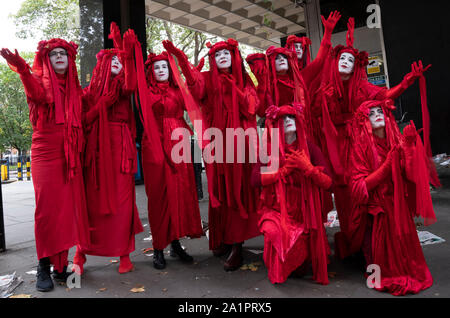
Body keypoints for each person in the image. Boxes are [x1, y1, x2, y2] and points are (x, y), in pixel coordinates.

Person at [313, 18, 434, 258]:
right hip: (337, 146)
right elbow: (316, 114)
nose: (346, 62)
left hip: (361, 142)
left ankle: (372, 241)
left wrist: (406, 82)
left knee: (368, 189)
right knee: (345, 195)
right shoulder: (326, 87)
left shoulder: (361, 85)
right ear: (335, 62)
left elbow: (384, 94)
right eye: (342, 58)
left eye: (350, 59)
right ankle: (354, 239)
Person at [163, 38, 260, 271]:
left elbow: (252, 107)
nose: (222, 57)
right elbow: (195, 87)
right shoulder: (207, 78)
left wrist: (233, 87)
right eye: (217, 55)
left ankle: (237, 243)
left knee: (238, 191)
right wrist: (182, 59)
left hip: (241, 145)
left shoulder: (245, 81)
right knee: (221, 191)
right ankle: (225, 238)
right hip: (217, 143)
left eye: (226, 53)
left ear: (234, 56)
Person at [1, 40, 89, 292]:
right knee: (47, 212)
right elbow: (35, 94)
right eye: (54, 54)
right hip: (46, 153)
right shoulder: (38, 82)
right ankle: (43, 265)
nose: (60, 56)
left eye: (64, 53)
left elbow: (84, 118)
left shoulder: (75, 90)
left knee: (65, 212)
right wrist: (23, 70)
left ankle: (60, 267)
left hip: (70, 154)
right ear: (46, 60)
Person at [72, 24, 143, 275]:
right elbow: (81, 121)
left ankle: (124, 254)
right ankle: (81, 253)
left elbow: (132, 85)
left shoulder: (123, 90)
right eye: (112, 59)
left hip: (121, 148)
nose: (116, 63)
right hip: (96, 153)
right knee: (91, 204)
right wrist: (101, 105)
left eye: (119, 61)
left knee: (123, 204)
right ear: (100, 66)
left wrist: (127, 53)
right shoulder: (88, 93)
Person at [347, 99, 437, 295]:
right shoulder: (359, 148)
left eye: (380, 111)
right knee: (380, 268)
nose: (377, 114)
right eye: (371, 113)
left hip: (399, 206)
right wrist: (387, 166)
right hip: (377, 211)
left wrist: (411, 148)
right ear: (364, 121)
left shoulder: (396, 140)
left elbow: (412, 176)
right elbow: (359, 187)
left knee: (409, 262)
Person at [135, 45, 204, 270]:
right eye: (157, 67)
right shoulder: (144, 90)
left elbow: (196, 97)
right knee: (158, 197)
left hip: (179, 143)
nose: (161, 69)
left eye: (165, 66)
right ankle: (158, 247)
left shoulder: (178, 90)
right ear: (151, 71)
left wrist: (188, 65)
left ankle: (175, 244)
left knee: (180, 193)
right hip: (154, 143)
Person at [251, 103, 333, 285]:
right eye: (284, 118)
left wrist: (309, 169)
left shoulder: (309, 148)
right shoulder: (269, 149)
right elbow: (255, 180)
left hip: (304, 212)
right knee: (275, 231)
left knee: (300, 265)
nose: (289, 121)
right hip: (276, 209)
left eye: (292, 117)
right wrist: (281, 172)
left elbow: (328, 183)